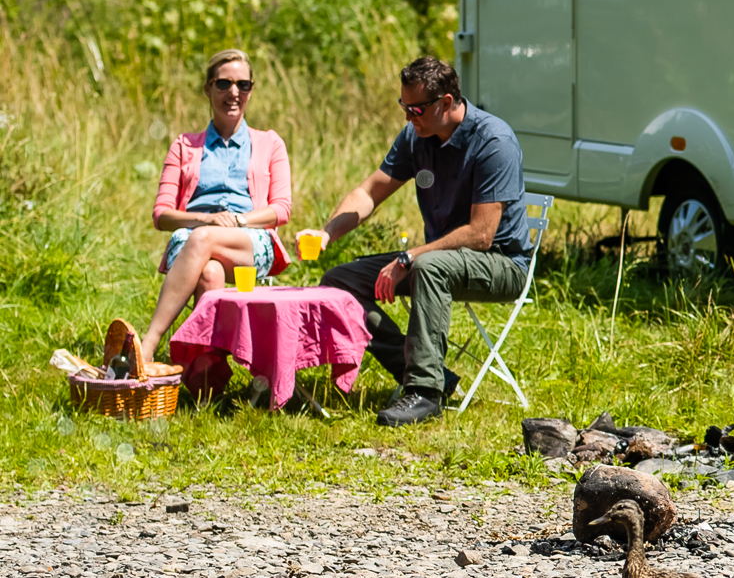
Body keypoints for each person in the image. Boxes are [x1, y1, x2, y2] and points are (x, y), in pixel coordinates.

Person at [303, 56, 532, 426]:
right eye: (403, 107)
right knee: (339, 282)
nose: (408, 117)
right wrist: (327, 232)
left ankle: (425, 393)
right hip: (436, 261)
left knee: (428, 265)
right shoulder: (417, 136)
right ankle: (425, 372)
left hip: (500, 263)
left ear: (445, 102)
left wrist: (410, 256)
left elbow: (480, 233)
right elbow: (370, 192)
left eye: (416, 109)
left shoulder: (494, 141)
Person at [138, 49, 292, 375]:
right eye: (223, 84)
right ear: (208, 89)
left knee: (204, 240)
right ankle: (208, 370)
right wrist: (205, 220)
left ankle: (148, 344)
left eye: (243, 84)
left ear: (251, 89)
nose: (233, 93)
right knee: (209, 272)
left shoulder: (269, 143)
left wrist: (238, 220)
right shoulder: (184, 145)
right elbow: (162, 215)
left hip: (249, 241)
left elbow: (281, 209)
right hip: (193, 237)